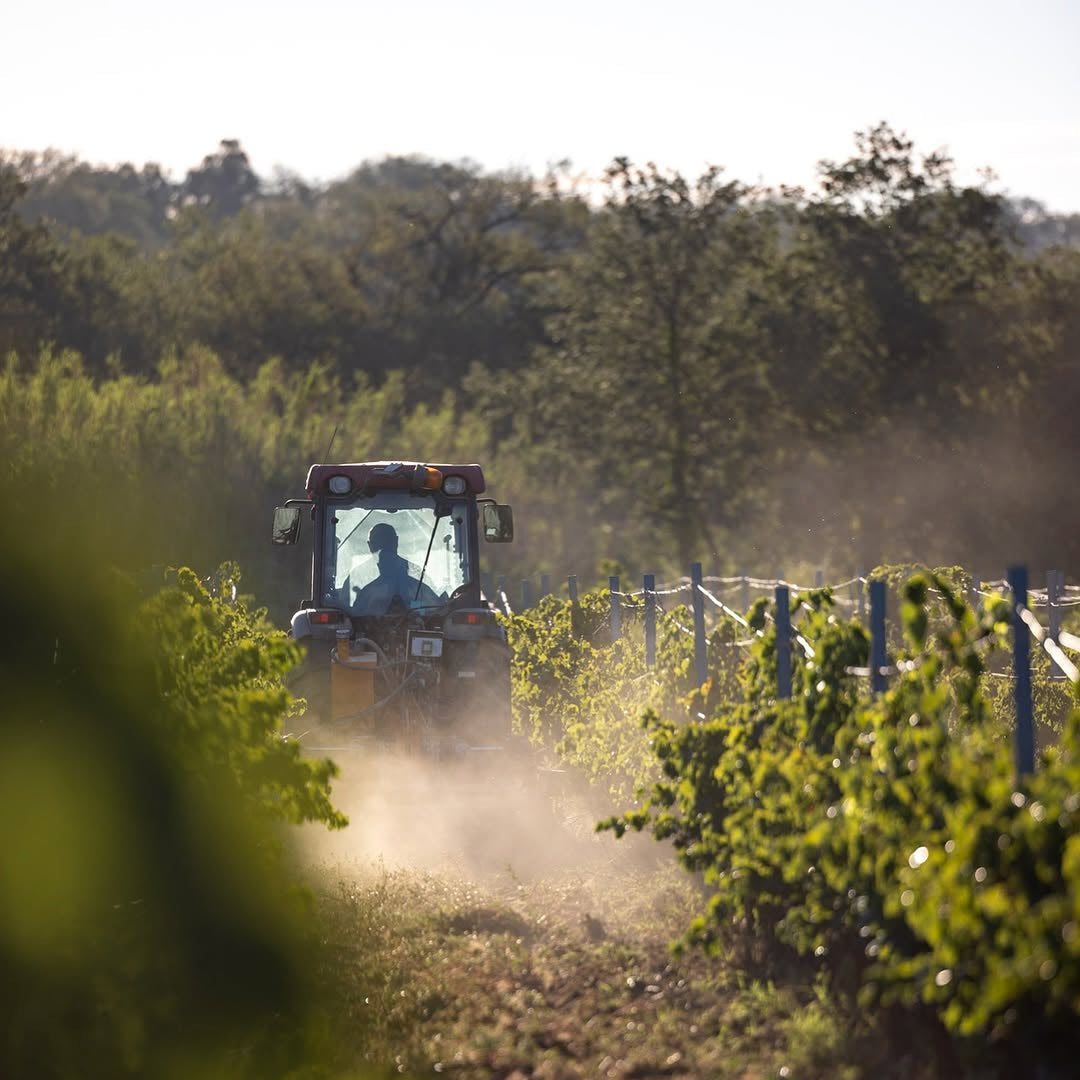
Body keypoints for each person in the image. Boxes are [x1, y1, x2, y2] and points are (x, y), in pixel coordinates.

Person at [352, 522, 443, 614]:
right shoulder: (358, 578)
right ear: (370, 545)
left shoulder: (417, 579)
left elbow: (433, 613)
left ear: (396, 541)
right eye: (379, 542)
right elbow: (353, 615)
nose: (384, 549)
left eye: (387, 541)